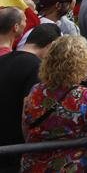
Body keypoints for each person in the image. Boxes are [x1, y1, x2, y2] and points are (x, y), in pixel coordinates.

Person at [22, 35, 87, 173]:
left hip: (34, 164)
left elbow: (26, 127)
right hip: (70, 167)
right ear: (83, 65)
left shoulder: (36, 91)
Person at [0, 23, 61, 170]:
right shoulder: (37, 69)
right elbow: (27, 111)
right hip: (14, 149)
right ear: (51, 46)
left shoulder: (5, 58)